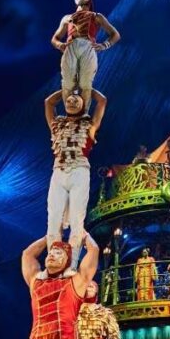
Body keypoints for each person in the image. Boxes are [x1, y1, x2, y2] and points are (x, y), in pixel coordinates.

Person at [43, 89, 108, 271]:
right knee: (53, 219)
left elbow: (102, 101)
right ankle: (54, 265)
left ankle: (71, 265)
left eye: (75, 101)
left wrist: (85, 88)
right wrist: (67, 89)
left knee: (77, 220)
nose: (71, 103)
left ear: (83, 104)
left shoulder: (90, 126)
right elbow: (49, 102)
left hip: (79, 171)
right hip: (58, 172)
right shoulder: (57, 125)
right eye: (68, 101)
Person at [51, 0, 121, 115]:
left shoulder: (96, 16)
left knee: (85, 83)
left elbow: (115, 34)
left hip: (88, 47)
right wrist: (60, 44)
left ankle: (83, 114)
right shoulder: (67, 18)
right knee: (67, 83)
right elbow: (54, 38)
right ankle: (70, 114)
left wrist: (104, 45)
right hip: (71, 47)